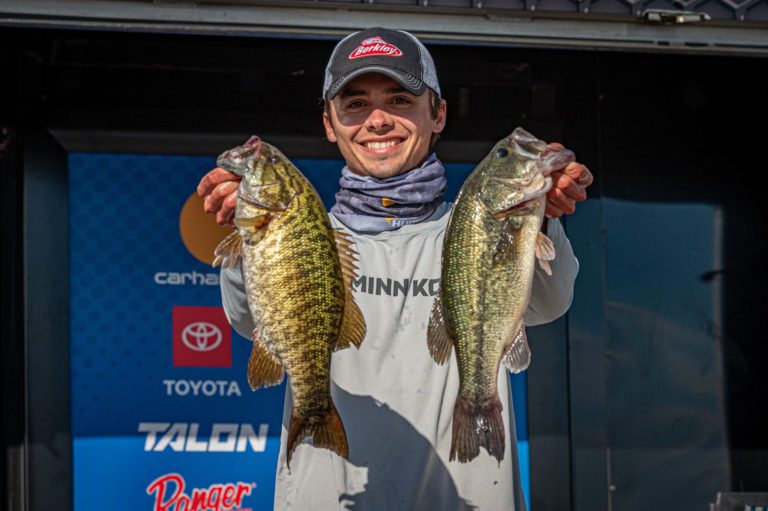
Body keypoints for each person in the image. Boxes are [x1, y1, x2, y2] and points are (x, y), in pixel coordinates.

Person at [198, 28, 592, 511]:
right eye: (355, 104)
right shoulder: (302, 233)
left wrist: (542, 217)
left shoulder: (474, 224)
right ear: (330, 123)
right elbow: (247, 320)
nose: (378, 120)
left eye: (401, 99)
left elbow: (552, 303)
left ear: (439, 113)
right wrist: (252, 230)